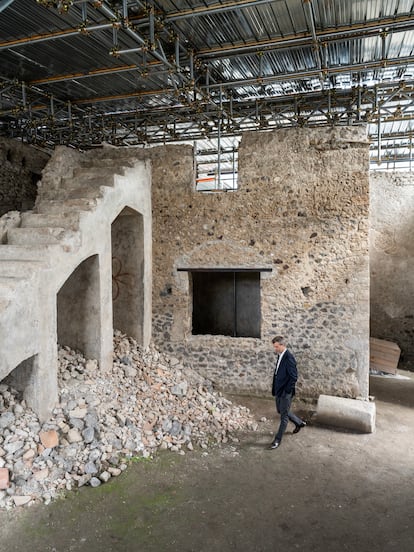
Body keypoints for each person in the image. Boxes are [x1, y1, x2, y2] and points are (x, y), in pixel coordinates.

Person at [269, 336, 306, 449]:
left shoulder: (289, 358)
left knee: (284, 417)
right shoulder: (280, 355)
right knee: (281, 410)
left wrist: (287, 391)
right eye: (274, 346)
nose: (275, 349)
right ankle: (299, 422)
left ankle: (277, 440)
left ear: (282, 345)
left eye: (276, 346)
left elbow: (294, 377)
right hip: (279, 389)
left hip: (285, 392)